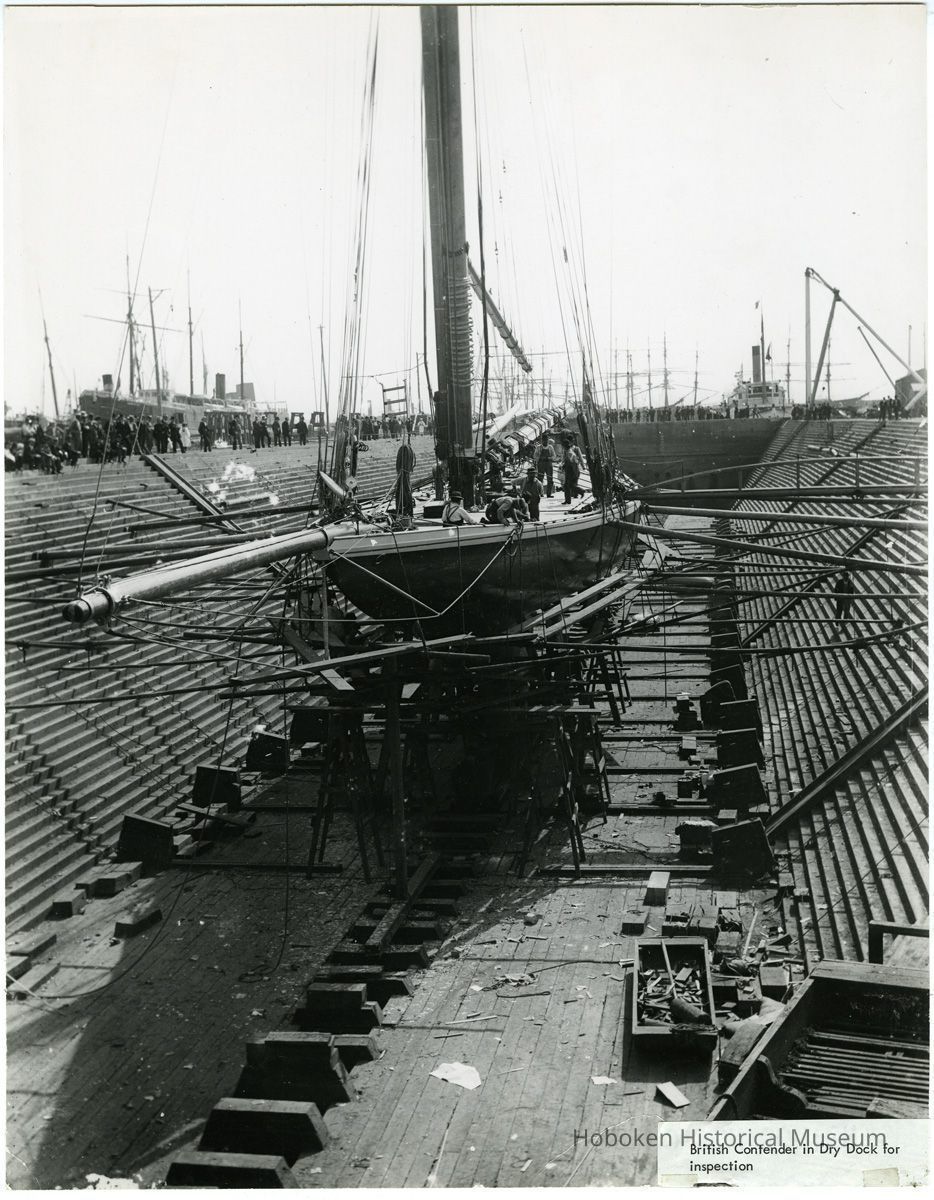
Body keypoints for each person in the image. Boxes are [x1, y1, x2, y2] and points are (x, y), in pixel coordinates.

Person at [561, 436, 583, 504]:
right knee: (566, 486)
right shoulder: (567, 451)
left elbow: (572, 463)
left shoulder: (570, 453)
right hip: (569, 470)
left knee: (570, 485)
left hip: (572, 471)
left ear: (565, 446)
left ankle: (581, 491)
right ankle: (567, 500)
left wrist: (566, 466)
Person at [833, 567, 855, 633]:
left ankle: (844, 622)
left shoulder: (850, 583)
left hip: (847, 600)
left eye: (847, 576)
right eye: (845, 576)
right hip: (840, 599)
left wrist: (851, 600)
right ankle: (837, 624)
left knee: (846, 611)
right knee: (839, 612)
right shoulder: (839, 582)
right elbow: (836, 590)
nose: (846, 577)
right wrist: (836, 598)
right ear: (843, 576)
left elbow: (852, 591)